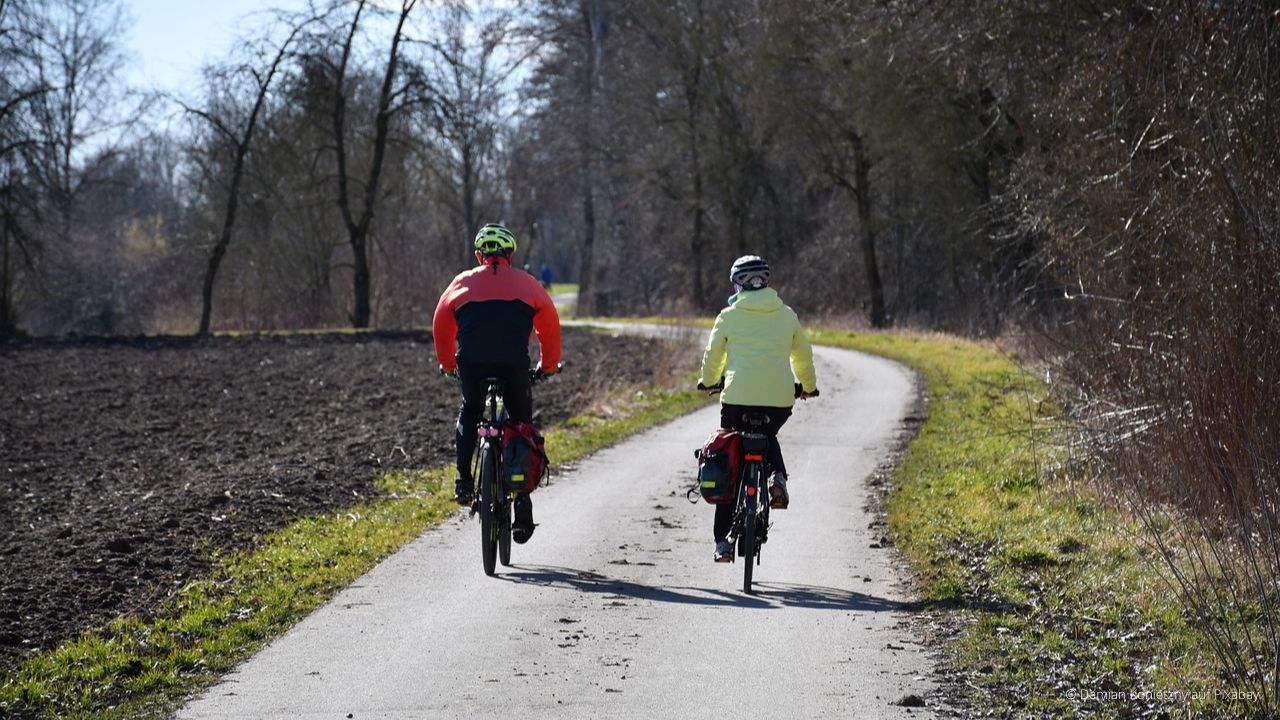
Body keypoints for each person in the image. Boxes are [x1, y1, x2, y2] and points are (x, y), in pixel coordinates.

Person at [433, 222, 562, 544]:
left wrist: (449, 365)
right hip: (513, 365)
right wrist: (546, 367)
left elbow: (441, 324)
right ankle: (523, 501)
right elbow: (550, 327)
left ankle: (463, 479)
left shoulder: (460, 282)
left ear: (479, 255)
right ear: (510, 255)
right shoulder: (529, 284)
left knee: (470, 410)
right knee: (521, 423)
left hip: (472, 364)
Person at [698, 254, 818, 563]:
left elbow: (714, 356)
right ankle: (776, 477)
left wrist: (709, 381)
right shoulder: (787, 315)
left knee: (731, 458)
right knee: (767, 434)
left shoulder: (728, 315)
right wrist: (807, 386)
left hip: (737, 396)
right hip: (778, 397)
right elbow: (802, 355)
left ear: (737, 284)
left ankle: (722, 542)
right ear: (766, 282)